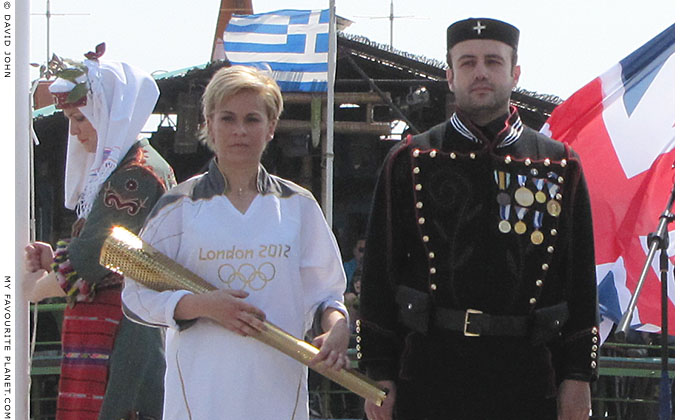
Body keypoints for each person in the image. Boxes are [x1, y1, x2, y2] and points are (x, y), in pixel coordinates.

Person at [359, 18, 599, 420]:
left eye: (493, 61)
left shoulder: (559, 164)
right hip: (430, 373)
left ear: (515, 73)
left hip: (529, 376)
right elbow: (381, 273)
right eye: (468, 62)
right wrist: (378, 370)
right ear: (450, 76)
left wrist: (578, 375)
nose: (481, 72)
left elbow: (578, 278)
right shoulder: (410, 159)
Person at [121, 65, 351, 420]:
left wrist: (337, 327)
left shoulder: (298, 205)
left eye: (253, 119)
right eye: (227, 118)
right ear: (209, 124)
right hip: (200, 393)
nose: (240, 130)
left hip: (278, 388)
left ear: (271, 126)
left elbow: (326, 295)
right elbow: (136, 295)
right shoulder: (179, 206)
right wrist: (201, 306)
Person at [24, 45, 175, 420]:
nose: (75, 133)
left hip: (125, 325)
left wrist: (26, 292)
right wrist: (55, 259)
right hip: (112, 320)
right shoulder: (127, 167)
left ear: (108, 114)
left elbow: (92, 259)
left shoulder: (136, 175)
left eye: (81, 119)